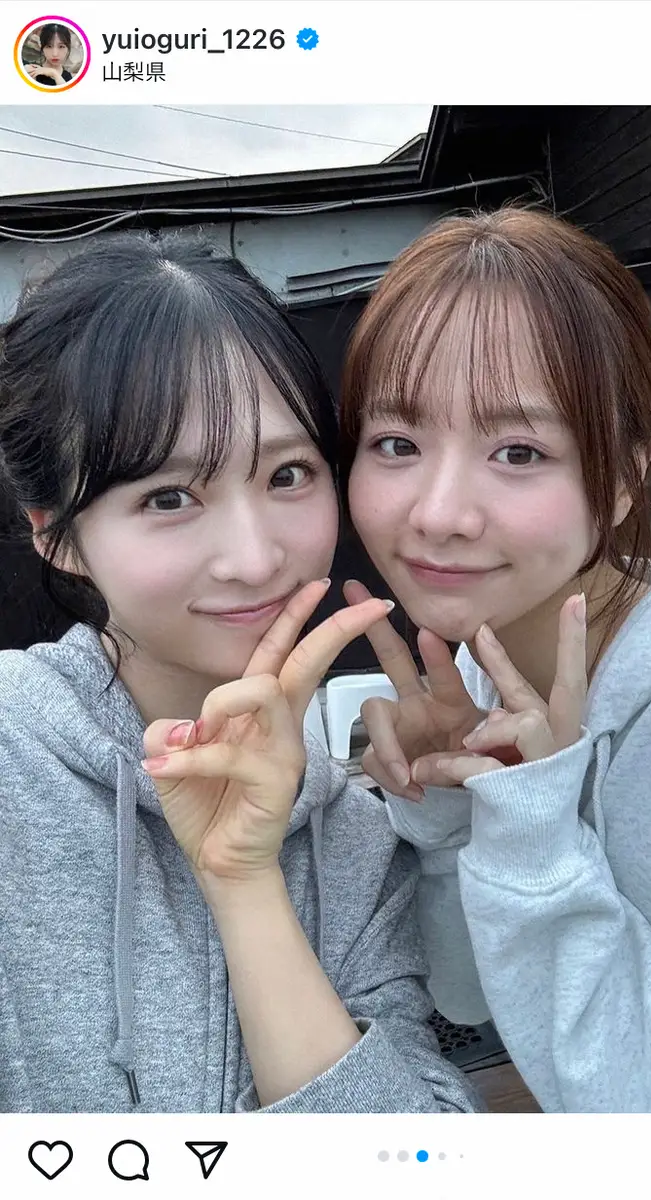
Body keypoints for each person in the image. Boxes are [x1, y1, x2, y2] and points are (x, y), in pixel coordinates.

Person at [339, 206, 651, 1113]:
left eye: (518, 451)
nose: (438, 514)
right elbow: (473, 999)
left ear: (627, 473)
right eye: (396, 444)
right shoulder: (490, 671)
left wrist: (540, 843)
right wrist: (454, 813)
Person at [0, 234, 479, 1115]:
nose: (256, 559)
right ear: (54, 534)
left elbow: (416, 1158)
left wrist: (245, 883)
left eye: (288, 474)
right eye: (168, 497)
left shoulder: (351, 840)